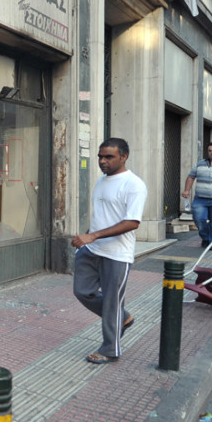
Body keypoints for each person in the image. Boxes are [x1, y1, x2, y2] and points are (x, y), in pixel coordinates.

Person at [72, 138, 148, 364]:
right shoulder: (101, 181)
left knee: (112, 302)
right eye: (100, 156)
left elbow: (132, 222)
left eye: (108, 157)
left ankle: (109, 350)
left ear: (124, 156)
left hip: (117, 254)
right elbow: (101, 215)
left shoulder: (134, 185)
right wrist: (87, 237)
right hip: (91, 249)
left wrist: (92, 236)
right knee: (82, 291)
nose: (102, 161)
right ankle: (122, 318)